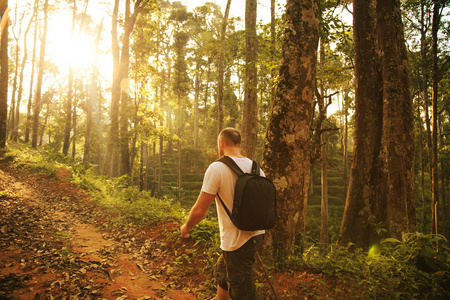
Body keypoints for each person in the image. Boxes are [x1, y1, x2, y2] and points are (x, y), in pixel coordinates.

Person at [180, 127, 265, 300]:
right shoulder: (256, 168)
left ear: (220, 143)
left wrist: (186, 227)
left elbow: (199, 210)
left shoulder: (217, 168)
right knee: (223, 271)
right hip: (257, 235)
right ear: (239, 144)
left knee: (243, 291)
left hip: (237, 242)